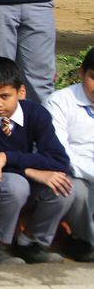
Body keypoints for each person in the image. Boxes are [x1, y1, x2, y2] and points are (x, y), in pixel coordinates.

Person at [0, 56, 75, 265]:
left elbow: (59, 160)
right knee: (16, 185)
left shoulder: (36, 113)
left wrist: (7, 156)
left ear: (21, 92)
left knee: (63, 186)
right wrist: (28, 171)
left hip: (13, 170)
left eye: (4, 96)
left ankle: (30, 242)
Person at [44, 47, 94, 262]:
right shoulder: (59, 102)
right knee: (76, 190)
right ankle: (83, 239)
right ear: (81, 73)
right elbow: (61, 154)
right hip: (73, 172)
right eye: (93, 78)